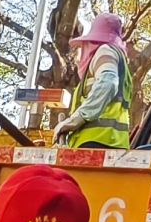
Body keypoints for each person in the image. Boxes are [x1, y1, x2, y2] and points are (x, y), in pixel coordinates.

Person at [54, 13, 135, 150]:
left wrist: (76, 119)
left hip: (95, 142)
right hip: (114, 144)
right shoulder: (120, 61)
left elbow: (108, 83)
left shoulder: (105, 51)